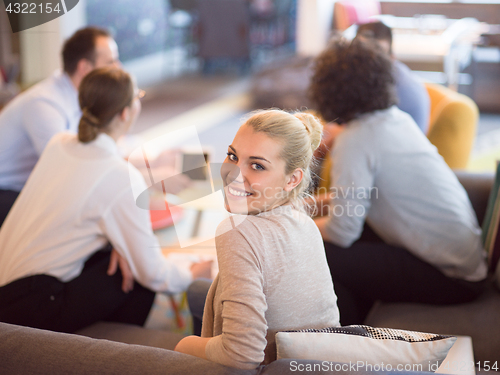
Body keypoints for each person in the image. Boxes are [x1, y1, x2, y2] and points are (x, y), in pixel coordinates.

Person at [0, 67, 211, 333]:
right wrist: (193, 274)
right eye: (138, 96)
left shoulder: (59, 143)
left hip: (7, 282)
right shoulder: (122, 177)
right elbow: (153, 273)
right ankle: (112, 345)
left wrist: (120, 247)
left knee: (121, 255)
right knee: (134, 275)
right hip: (30, 302)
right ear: (125, 113)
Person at [309, 38, 487, 326]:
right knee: (343, 239)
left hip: (452, 279)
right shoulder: (394, 120)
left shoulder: (356, 142)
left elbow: (343, 231)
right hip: (467, 264)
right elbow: (357, 199)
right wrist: (304, 206)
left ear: (327, 90)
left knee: (320, 250)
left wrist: (292, 224)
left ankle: (345, 335)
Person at [175, 109, 340, 369]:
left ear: (292, 179)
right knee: (199, 289)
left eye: (257, 165)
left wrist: (183, 347)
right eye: (232, 156)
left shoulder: (237, 231)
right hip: (321, 362)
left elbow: (242, 353)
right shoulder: (305, 223)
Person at [0, 27, 120, 227]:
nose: (119, 67)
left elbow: (95, 150)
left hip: (31, 185)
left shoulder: (79, 96)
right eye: (111, 62)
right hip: (6, 190)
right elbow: (69, 169)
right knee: (85, 215)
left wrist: (146, 164)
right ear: (85, 68)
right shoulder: (44, 103)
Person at [355, 21, 430, 133]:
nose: (368, 62)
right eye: (361, 54)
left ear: (391, 57)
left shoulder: (395, 89)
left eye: (378, 55)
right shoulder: (371, 79)